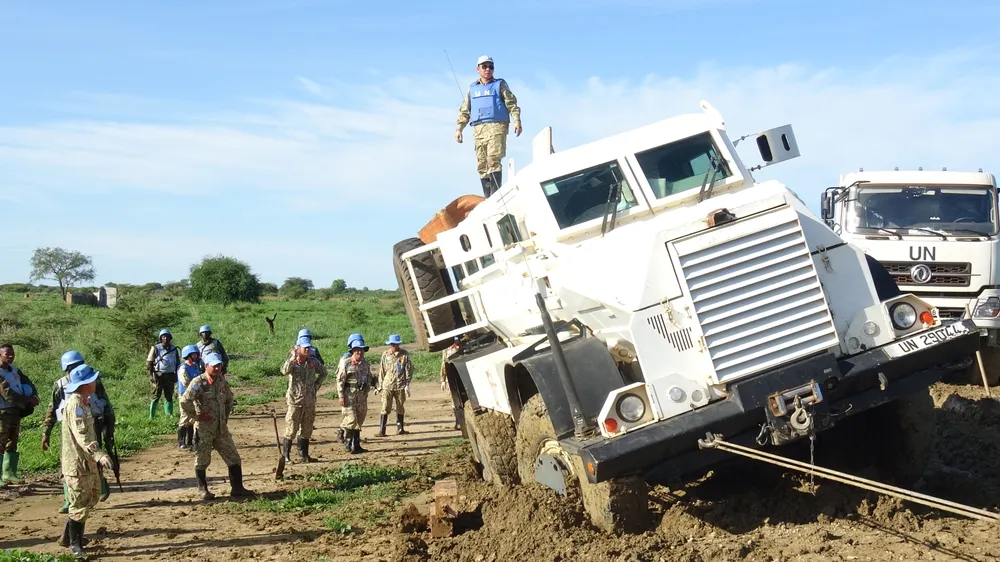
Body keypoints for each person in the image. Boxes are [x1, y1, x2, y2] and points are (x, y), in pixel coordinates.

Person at [42, 350, 115, 510]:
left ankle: (98, 487)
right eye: (72, 366)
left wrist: (109, 426)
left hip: (93, 424)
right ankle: (70, 498)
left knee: (93, 459)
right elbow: (52, 408)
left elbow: (106, 403)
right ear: (66, 368)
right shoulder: (60, 385)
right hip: (70, 429)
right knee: (69, 465)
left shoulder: (93, 381)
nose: (75, 368)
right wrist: (46, 432)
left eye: (78, 365)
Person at [58, 363, 114, 557]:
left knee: (90, 498)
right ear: (85, 384)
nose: (95, 382)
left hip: (86, 462)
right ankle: (76, 545)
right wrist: (99, 454)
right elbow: (84, 437)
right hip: (77, 464)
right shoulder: (76, 406)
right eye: (92, 380)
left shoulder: (84, 402)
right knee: (79, 503)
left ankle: (69, 537)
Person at [180, 352, 252, 500]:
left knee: (233, 458)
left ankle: (237, 488)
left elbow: (229, 400)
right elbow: (184, 401)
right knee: (202, 460)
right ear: (206, 366)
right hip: (204, 429)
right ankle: (203, 490)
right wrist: (196, 416)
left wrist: (224, 417)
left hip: (221, 429)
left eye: (219, 365)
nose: (218, 368)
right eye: (214, 366)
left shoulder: (221, 382)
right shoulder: (198, 382)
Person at [456, 55, 522, 197]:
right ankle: (488, 197)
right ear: (478, 69)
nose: (487, 69)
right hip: (479, 129)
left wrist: (517, 120)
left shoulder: (500, 85)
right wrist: (459, 129)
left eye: (490, 66)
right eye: (484, 66)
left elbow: (512, 104)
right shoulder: (473, 88)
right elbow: (465, 110)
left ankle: (496, 196)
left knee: (493, 159)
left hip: (497, 126)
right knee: (482, 164)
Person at [281, 336, 328, 463]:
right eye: (305, 348)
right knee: (291, 428)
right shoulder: (293, 363)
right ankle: (286, 456)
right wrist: (292, 357)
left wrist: (316, 385)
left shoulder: (312, 362)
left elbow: (324, 372)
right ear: (298, 348)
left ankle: (304, 455)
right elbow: (284, 371)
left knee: (307, 428)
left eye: (308, 347)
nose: (307, 350)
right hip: (295, 400)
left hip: (309, 401)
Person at [0, 343, 39, 486]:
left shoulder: (15, 370)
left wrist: (34, 396)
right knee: (0, 442)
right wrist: (27, 401)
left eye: (12, 354)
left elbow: (28, 383)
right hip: (3, 412)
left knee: (12, 441)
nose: (10, 356)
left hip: (15, 411)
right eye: (7, 354)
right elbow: (7, 393)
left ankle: (9, 473)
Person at [337, 335, 372, 454]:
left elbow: (368, 378)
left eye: (361, 350)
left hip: (361, 397)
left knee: (360, 420)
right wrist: (341, 396)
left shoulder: (366, 364)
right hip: (349, 396)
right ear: (352, 351)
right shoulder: (346, 363)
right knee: (351, 420)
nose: (359, 352)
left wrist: (367, 391)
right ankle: (348, 443)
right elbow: (340, 381)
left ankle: (356, 445)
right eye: (357, 350)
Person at [376, 334, 412, 437]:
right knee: (385, 406)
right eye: (392, 344)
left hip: (400, 384)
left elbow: (408, 369)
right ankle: (382, 430)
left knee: (400, 406)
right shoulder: (385, 355)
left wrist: (407, 384)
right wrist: (380, 385)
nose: (394, 346)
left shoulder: (404, 355)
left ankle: (400, 428)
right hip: (387, 385)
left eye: (396, 344)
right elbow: (381, 370)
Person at [147, 329, 180, 420]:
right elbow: (149, 363)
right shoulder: (156, 348)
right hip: (158, 375)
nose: (165, 338)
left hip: (170, 375)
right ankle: (151, 416)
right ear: (160, 338)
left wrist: (177, 375)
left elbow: (177, 362)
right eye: (163, 337)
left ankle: (169, 415)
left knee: (169, 395)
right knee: (156, 395)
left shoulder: (174, 349)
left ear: (170, 338)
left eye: (167, 337)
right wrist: (151, 376)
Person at [176, 345, 201, 451]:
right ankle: (181, 442)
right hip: (185, 396)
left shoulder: (195, 367)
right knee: (184, 417)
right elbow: (186, 382)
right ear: (188, 356)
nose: (195, 356)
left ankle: (190, 441)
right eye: (193, 354)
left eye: (196, 354)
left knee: (193, 418)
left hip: (195, 395)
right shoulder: (183, 368)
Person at [440, 337, 463, 431]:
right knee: (454, 400)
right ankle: (458, 422)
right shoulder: (447, 350)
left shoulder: (464, 347)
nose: (456, 342)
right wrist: (443, 379)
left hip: (462, 376)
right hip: (451, 378)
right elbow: (444, 364)